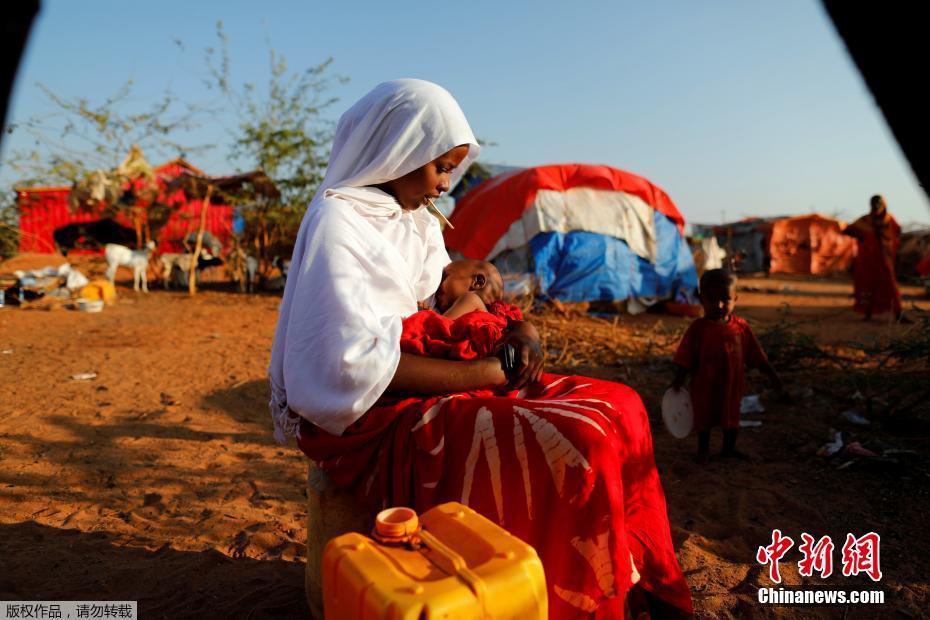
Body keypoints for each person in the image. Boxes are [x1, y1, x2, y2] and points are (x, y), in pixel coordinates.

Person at [268, 79, 693, 618]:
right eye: (439, 167)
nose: (445, 184)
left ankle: (629, 581)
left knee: (621, 406)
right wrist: (492, 373)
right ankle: (567, 599)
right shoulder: (340, 222)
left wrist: (517, 331)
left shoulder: (414, 220)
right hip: (381, 410)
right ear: (399, 151)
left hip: (442, 373)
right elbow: (350, 365)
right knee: (580, 438)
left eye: (451, 169)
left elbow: (439, 309)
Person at [671, 269, 784, 462]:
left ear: (736, 298)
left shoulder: (741, 328)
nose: (719, 305)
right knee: (704, 416)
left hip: (732, 386)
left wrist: (774, 377)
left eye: (725, 299)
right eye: (711, 299)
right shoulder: (697, 329)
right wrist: (678, 381)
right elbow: (686, 357)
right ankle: (703, 450)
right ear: (701, 299)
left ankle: (728, 449)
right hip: (704, 386)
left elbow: (757, 356)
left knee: (731, 416)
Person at [842, 195, 907, 322]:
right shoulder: (865, 221)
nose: (876, 208)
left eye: (879, 206)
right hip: (867, 260)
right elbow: (847, 230)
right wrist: (862, 238)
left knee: (890, 286)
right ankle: (868, 313)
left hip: (885, 260)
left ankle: (898, 314)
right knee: (867, 286)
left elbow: (897, 231)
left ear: (884, 206)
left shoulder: (889, 220)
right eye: (874, 206)